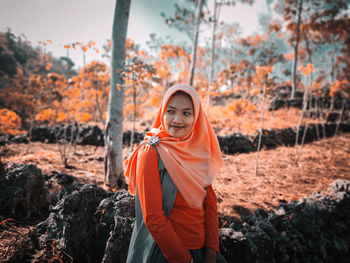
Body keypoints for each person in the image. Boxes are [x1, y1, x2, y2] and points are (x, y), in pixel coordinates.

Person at [125, 84, 227, 263]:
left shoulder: (198, 150)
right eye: (171, 111)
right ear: (162, 112)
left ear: (196, 118)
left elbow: (210, 203)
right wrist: (185, 260)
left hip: (203, 251)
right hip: (165, 253)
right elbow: (153, 218)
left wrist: (211, 252)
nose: (177, 120)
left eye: (186, 113)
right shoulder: (151, 152)